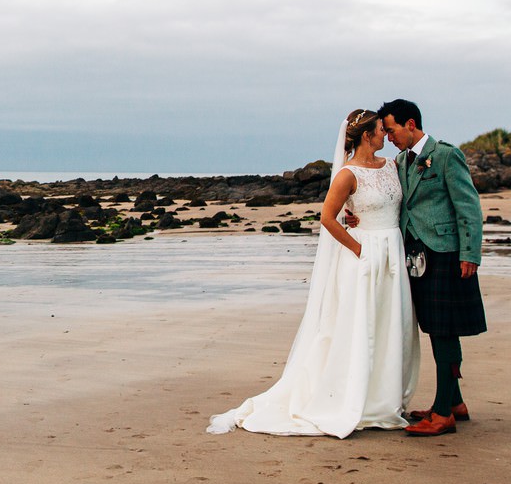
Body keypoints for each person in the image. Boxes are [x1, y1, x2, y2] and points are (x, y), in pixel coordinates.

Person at [207, 109, 419, 438]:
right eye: (380, 130)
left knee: (393, 324)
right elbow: (328, 217)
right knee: (362, 328)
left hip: (393, 251)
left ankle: (386, 399)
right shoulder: (348, 174)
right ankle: (356, 399)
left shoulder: (392, 165)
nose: (385, 135)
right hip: (365, 257)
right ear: (366, 135)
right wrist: (358, 247)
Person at [375, 98, 487, 437]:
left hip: (447, 253)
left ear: (411, 125)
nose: (389, 137)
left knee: (444, 329)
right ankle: (455, 402)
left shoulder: (446, 156)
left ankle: (442, 414)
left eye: (392, 130)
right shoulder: (399, 161)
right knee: (435, 326)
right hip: (416, 256)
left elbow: (468, 206)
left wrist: (470, 254)